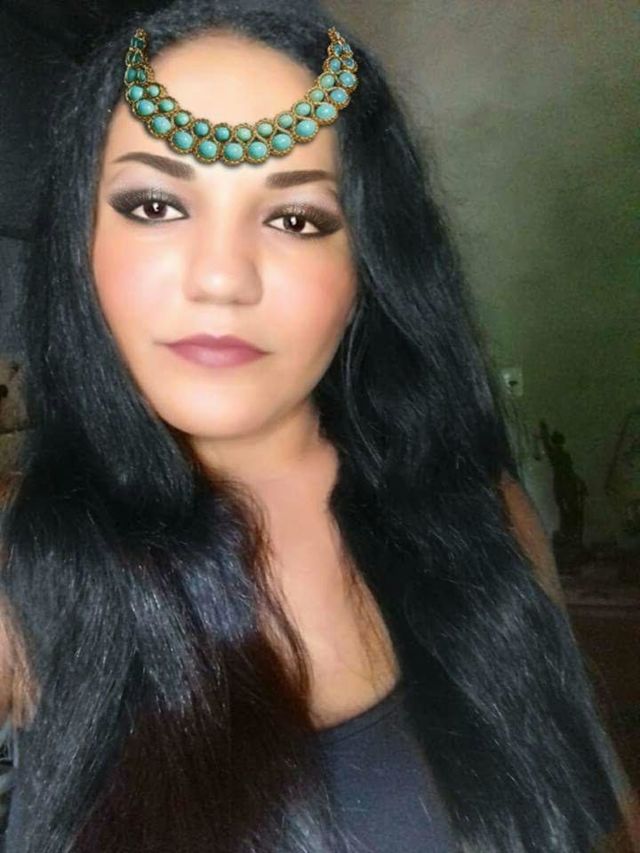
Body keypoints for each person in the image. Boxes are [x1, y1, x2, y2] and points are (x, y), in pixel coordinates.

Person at [0, 1, 636, 850]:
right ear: (81, 244)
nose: (222, 278)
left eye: (295, 219)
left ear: (368, 265)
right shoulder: (26, 570)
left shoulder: (486, 522)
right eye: (154, 205)